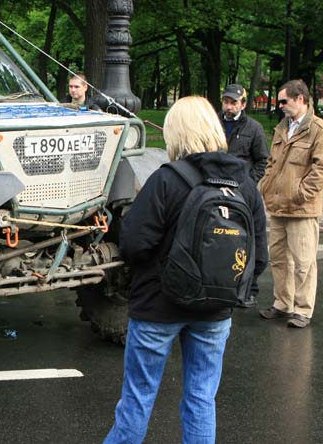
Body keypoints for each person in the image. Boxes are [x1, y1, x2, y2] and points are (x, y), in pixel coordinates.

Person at [103, 96, 267, 444]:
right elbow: (260, 256)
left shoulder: (167, 179)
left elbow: (133, 244)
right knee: (201, 399)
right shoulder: (245, 185)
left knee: (137, 401)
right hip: (216, 310)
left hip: (157, 307)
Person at [258, 79, 323, 328]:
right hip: (277, 206)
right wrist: (266, 186)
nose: (280, 106)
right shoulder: (282, 128)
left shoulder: (319, 129)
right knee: (278, 259)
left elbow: (322, 168)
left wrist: (301, 194)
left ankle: (303, 310)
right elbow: (271, 163)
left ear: (300, 99)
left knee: (303, 263)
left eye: (284, 101)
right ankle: (282, 304)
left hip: (301, 209)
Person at [219, 83, 269, 308]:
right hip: (217, 191)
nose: (229, 107)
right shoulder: (213, 123)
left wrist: (249, 184)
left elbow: (262, 160)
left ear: (243, 104)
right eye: (226, 102)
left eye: (233, 102)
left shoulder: (254, 128)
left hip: (243, 192)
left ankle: (249, 288)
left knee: (249, 238)